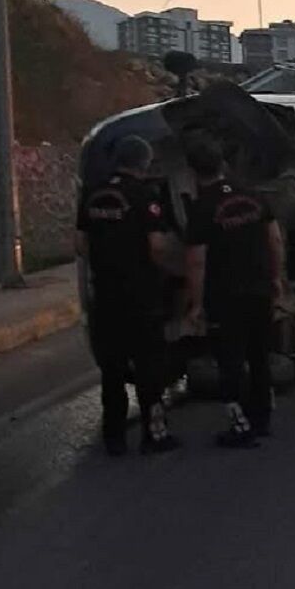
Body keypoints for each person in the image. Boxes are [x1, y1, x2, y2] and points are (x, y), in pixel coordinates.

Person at [74, 135, 180, 455]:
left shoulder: (93, 194)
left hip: (105, 295)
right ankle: (154, 434)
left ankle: (114, 438)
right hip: (141, 295)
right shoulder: (145, 195)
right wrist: (172, 272)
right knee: (149, 367)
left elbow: (80, 244)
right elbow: (157, 247)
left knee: (113, 370)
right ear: (144, 164)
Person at [183, 141, 284, 448]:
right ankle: (262, 420)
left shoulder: (202, 208)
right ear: (223, 164)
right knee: (259, 357)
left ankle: (240, 427)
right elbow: (275, 240)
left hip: (225, 297)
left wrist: (196, 304)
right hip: (260, 290)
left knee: (230, 362)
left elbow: (197, 261)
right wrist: (276, 278)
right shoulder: (254, 195)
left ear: (193, 172)